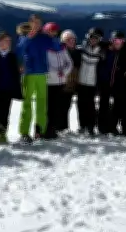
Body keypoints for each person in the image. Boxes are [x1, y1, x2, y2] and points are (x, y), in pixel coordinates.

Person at [17, 14, 62, 142]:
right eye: (34, 22)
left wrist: (52, 37)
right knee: (27, 104)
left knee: (42, 103)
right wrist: (28, 39)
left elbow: (57, 48)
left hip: (42, 73)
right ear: (30, 23)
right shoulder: (24, 36)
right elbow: (19, 51)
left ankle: (40, 131)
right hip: (29, 74)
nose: (36, 25)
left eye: (39, 23)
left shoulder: (44, 37)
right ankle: (24, 132)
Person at [44, 23, 73, 139]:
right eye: (50, 31)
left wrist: (64, 72)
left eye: (54, 31)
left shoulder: (61, 46)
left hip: (60, 82)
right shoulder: (42, 46)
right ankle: (44, 130)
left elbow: (69, 62)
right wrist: (56, 72)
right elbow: (43, 64)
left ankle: (53, 129)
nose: (52, 33)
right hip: (48, 81)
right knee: (47, 107)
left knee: (57, 107)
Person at [76, 27, 105, 136]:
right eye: (92, 37)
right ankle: (82, 125)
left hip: (93, 83)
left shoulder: (101, 51)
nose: (93, 40)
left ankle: (91, 126)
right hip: (81, 81)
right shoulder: (82, 48)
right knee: (80, 104)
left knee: (90, 105)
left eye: (96, 38)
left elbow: (91, 60)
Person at [104, 31, 126, 135]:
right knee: (106, 106)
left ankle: (115, 127)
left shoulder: (124, 53)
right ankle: (106, 126)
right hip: (106, 83)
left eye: (120, 40)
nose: (117, 42)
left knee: (118, 106)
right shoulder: (107, 52)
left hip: (120, 85)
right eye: (115, 40)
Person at [57, 30, 80, 133]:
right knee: (58, 106)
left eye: (72, 39)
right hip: (59, 84)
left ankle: (64, 127)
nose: (70, 41)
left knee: (66, 106)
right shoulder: (59, 52)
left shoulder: (78, 52)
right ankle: (58, 127)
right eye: (67, 40)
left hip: (71, 84)